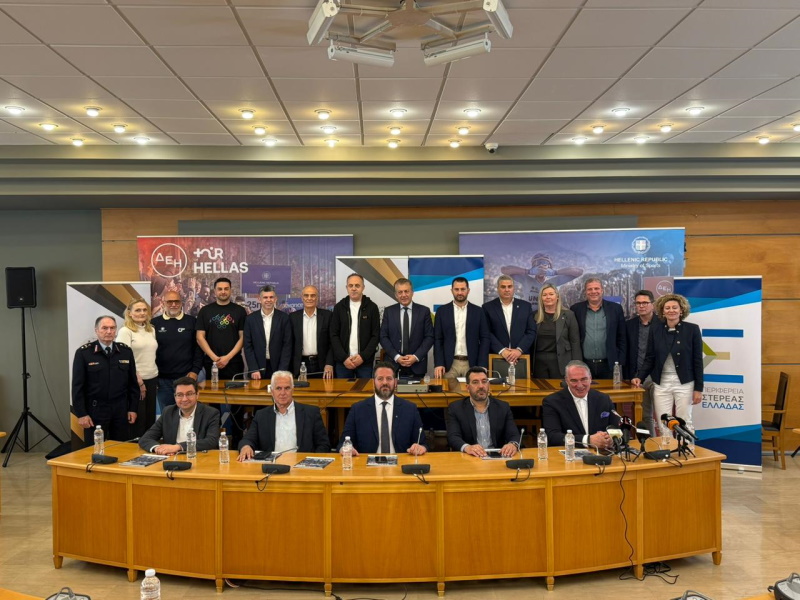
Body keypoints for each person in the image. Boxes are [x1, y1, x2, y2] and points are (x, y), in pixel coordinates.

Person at [632, 293, 703, 437]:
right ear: (662, 311)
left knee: (685, 422)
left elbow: (697, 361)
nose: (671, 310)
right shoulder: (655, 330)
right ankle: (667, 449)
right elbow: (650, 357)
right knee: (664, 423)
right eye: (667, 308)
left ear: (681, 310)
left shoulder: (692, 329)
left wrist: (698, 389)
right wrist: (640, 377)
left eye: (675, 307)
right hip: (661, 383)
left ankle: (688, 451)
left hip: (684, 383)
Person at [72, 316, 138, 446]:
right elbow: (77, 387)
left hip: (120, 409)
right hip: (95, 410)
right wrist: (81, 414)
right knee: (94, 449)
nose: (109, 331)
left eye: (112, 328)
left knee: (121, 448)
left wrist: (133, 408)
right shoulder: (84, 353)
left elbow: (132, 384)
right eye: (104, 328)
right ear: (96, 330)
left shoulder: (125, 351)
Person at [337, 362, 427, 456]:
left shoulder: (410, 409)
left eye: (389, 379)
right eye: (380, 379)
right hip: (367, 463)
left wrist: (420, 447)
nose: (385, 383)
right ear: (373, 382)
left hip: (401, 462)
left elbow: (422, 443)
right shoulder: (358, 409)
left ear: (395, 382)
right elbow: (343, 444)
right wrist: (345, 449)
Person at [237, 371, 330, 460]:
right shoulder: (261, 415)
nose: (283, 393)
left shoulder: (311, 413)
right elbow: (247, 440)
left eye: (287, 388)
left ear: (293, 390)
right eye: (278, 388)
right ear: (272, 391)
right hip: (272, 465)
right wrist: (246, 446)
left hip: (302, 466)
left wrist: (311, 462)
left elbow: (324, 445)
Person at [542, 360, 618, 450]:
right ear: (566, 381)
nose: (580, 385)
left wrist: (611, 440)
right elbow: (552, 436)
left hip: (601, 453)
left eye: (584, 379)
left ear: (590, 378)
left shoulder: (604, 399)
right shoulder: (552, 402)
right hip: (569, 454)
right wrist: (588, 440)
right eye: (574, 381)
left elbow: (617, 429)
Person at [446, 366, 521, 457]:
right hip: (471, 457)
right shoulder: (456, 408)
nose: (481, 386)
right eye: (475, 382)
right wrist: (467, 447)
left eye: (484, 381)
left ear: (488, 384)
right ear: (467, 387)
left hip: (497, 457)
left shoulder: (503, 407)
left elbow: (514, 434)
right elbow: (453, 437)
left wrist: (512, 444)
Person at [138, 377, 220, 455]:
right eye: (180, 395)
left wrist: (178, 447)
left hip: (199, 458)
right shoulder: (168, 412)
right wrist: (158, 449)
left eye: (189, 394)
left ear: (197, 395)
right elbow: (145, 438)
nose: (184, 399)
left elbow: (212, 441)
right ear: (175, 396)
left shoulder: (211, 413)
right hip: (172, 458)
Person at [152, 290, 204, 412]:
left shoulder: (192, 321)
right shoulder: (154, 323)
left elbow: (199, 349)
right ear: (163, 303)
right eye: (170, 302)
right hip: (163, 381)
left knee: (189, 414)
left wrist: (195, 371)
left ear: (181, 303)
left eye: (176, 301)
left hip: (186, 378)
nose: (173, 304)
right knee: (168, 414)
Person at [115, 298, 158, 437]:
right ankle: (136, 449)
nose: (142, 313)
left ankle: (149, 448)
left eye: (144, 310)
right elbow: (123, 361)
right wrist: (138, 381)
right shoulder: (125, 331)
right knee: (138, 422)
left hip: (152, 379)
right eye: (138, 310)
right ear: (129, 313)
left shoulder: (151, 330)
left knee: (150, 421)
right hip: (135, 382)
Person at [433, 277, 490, 380]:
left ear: (468, 290)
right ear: (452, 291)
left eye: (463, 289)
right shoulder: (442, 312)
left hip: (472, 364)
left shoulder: (479, 312)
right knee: (447, 391)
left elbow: (485, 338)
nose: (460, 292)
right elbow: (438, 339)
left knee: (473, 390)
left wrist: (482, 364)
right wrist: (439, 363)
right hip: (449, 365)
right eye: (456, 289)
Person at [570, 278, 626, 380]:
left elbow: (622, 337)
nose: (593, 291)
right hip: (584, 364)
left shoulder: (615, 309)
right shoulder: (576, 309)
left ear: (602, 290)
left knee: (608, 391)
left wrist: (620, 361)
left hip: (609, 365)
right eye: (590, 289)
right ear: (585, 292)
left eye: (596, 288)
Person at [379, 278, 434, 378]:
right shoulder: (388, 311)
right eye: (400, 292)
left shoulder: (424, 311)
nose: (403, 295)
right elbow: (383, 336)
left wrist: (416, 357)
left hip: (417, 365)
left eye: (406, 291)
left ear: (412, 292)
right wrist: (397, 357)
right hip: (393, 365)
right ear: (396, 295)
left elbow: (429, 337)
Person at [195, 277, 247, 380]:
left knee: (236, 390)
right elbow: (199, 337)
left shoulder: (240, 311)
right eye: (220, 289)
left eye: (226, 289)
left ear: (230, 290)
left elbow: (243, 337)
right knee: (212, 390)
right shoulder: (205, 311)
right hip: (211, 363)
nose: (223, 292)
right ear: (215, 291)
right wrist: (215, 358)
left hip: (234, 363)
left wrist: (227, 358)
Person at [330, 273, 381, 378]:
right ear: (347, 288)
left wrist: (363, 357)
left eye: (357, 285)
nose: (353, 288)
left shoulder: (372, 307)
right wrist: (344, 358)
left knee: (365, 389)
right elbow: (334, 335)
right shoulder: (339, 308)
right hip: (343, 363)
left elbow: (375, 335)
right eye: (351, 286)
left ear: (363, 287)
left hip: (365, 363)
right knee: (343, 389)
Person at [482, 275, 537, 368]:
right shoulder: (487, 307)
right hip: (497, 356)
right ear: (498, 289)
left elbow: (531, 331)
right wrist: (502, 350)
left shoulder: (526, 306)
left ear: (513, 288)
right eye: (503, 287)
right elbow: (486, 332)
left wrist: (519, 350)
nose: (507, 290)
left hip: (521, 357)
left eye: (509, 286)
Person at [624, 290, 658, 436]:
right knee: (645, 416)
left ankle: (666, 445)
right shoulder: (629, 325)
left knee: (663, 415)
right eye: (638, 303)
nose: (641, 306)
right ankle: (650, 444)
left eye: (645, 303)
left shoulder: (662, 324)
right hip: (638, 377)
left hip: (658, 376)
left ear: (652, 304)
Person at [532, 283, 582, 378]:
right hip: (538, 363)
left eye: (551, 294)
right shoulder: (534, 316)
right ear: (541, 298)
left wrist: (577, 365)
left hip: (561, 362)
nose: (548, 297)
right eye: (544, 295)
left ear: (557, 296)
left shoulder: (569, 315)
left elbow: (575, 342)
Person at [243, 285, 292, 380]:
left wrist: (282, 370)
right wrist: (254, 369)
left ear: (275, 299)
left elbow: (287, 345)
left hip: (279, 368)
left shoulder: (284, 318)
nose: (268, 300)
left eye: (271, 297)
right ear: (259, 299)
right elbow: (248, 346)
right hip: (257, 370)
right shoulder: (250, 319)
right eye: (265, 297)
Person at [501, 252, 584, 306]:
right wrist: (528, 271)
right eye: (537, 263)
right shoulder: (526, 280)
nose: (541, 266)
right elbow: (504, 270)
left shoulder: (554, 281)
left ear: (549, 266)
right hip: (530, 319)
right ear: (533, 266)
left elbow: (579, 272)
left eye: (545, 263)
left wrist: (555, 272)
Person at [289, 285, 334, 379]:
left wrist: (329, 363)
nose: (309, 298)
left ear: (317, 298)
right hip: (300, 365)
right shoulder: (293, 317)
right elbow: (289, 344)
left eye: (313, 295)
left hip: (322, 365)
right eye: (306, 295)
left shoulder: (328, 316)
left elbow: (332, 343)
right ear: (302, 298)